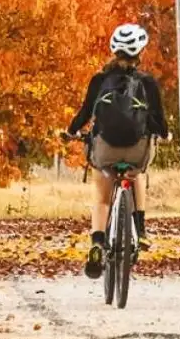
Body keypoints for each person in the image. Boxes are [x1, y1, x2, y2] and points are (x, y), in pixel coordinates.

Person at [65, 22, 169, 279]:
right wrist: (163, 134)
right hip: (136, 151)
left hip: (106, 150)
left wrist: (71, 132)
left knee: (101, 197)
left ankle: (98, 243)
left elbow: (85, 114)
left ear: (114, 51)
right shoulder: (147, 83)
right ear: (140, 53)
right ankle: (141, 230)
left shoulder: (100, 80)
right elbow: (159, 121)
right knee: (137, 174)